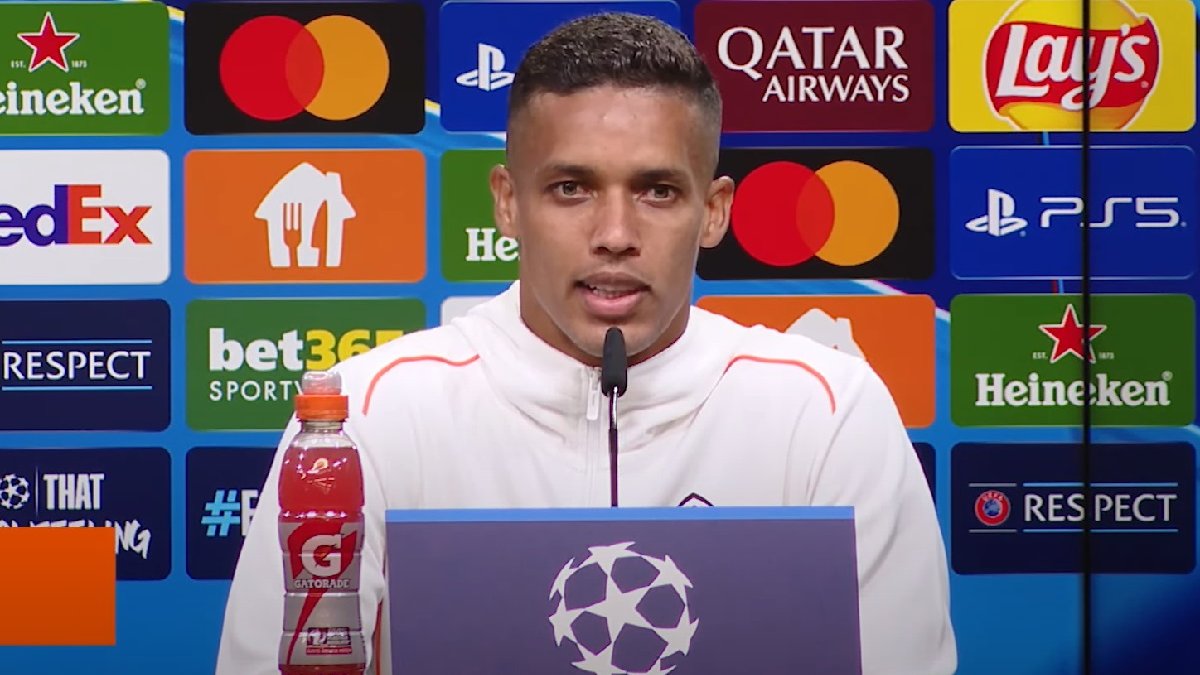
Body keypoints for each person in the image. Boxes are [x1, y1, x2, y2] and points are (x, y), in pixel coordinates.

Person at [215, 12, 956, 675]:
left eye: (658, 191)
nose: (615, 234)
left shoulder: (825, 413)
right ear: (508, 202)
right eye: (571, 188)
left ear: (714, 211)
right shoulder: (366, 416)